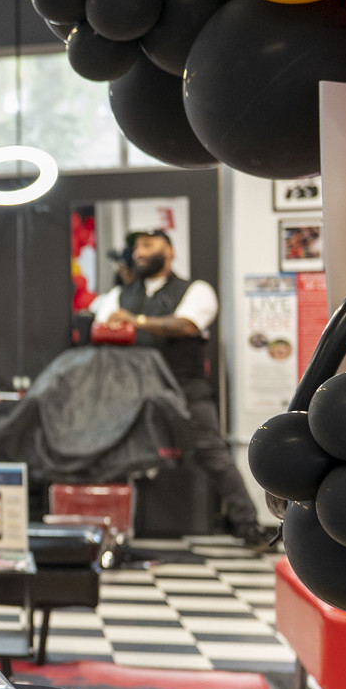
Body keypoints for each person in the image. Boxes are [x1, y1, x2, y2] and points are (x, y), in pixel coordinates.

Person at [89, 229, 263, 544]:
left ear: (169, 251)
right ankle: (114, 527)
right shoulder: (119, 295)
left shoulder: (196, 290)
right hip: (134, 390)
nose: (140, 252)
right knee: (114, 451)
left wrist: (134, 321)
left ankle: (248, 525)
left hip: (185, 386)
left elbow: (186, 325)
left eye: (148, 245)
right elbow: (101, 329)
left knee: (212, 452)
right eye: (137, 248)